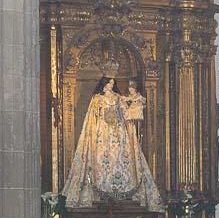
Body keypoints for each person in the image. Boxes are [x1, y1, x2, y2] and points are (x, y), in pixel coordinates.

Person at [63, 77, 164, 210]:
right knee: (100, 161)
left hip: (118, 133)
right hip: (101, 134)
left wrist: (136, 103)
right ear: (104, 84)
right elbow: (91, 117)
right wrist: (91, 133)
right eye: (109, 82)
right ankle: (99, 191)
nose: (111, 85)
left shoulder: (118, 98)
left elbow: (126, 113)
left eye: (112, 83)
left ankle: (119, 190)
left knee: (118, 159)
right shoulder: (97, 99)